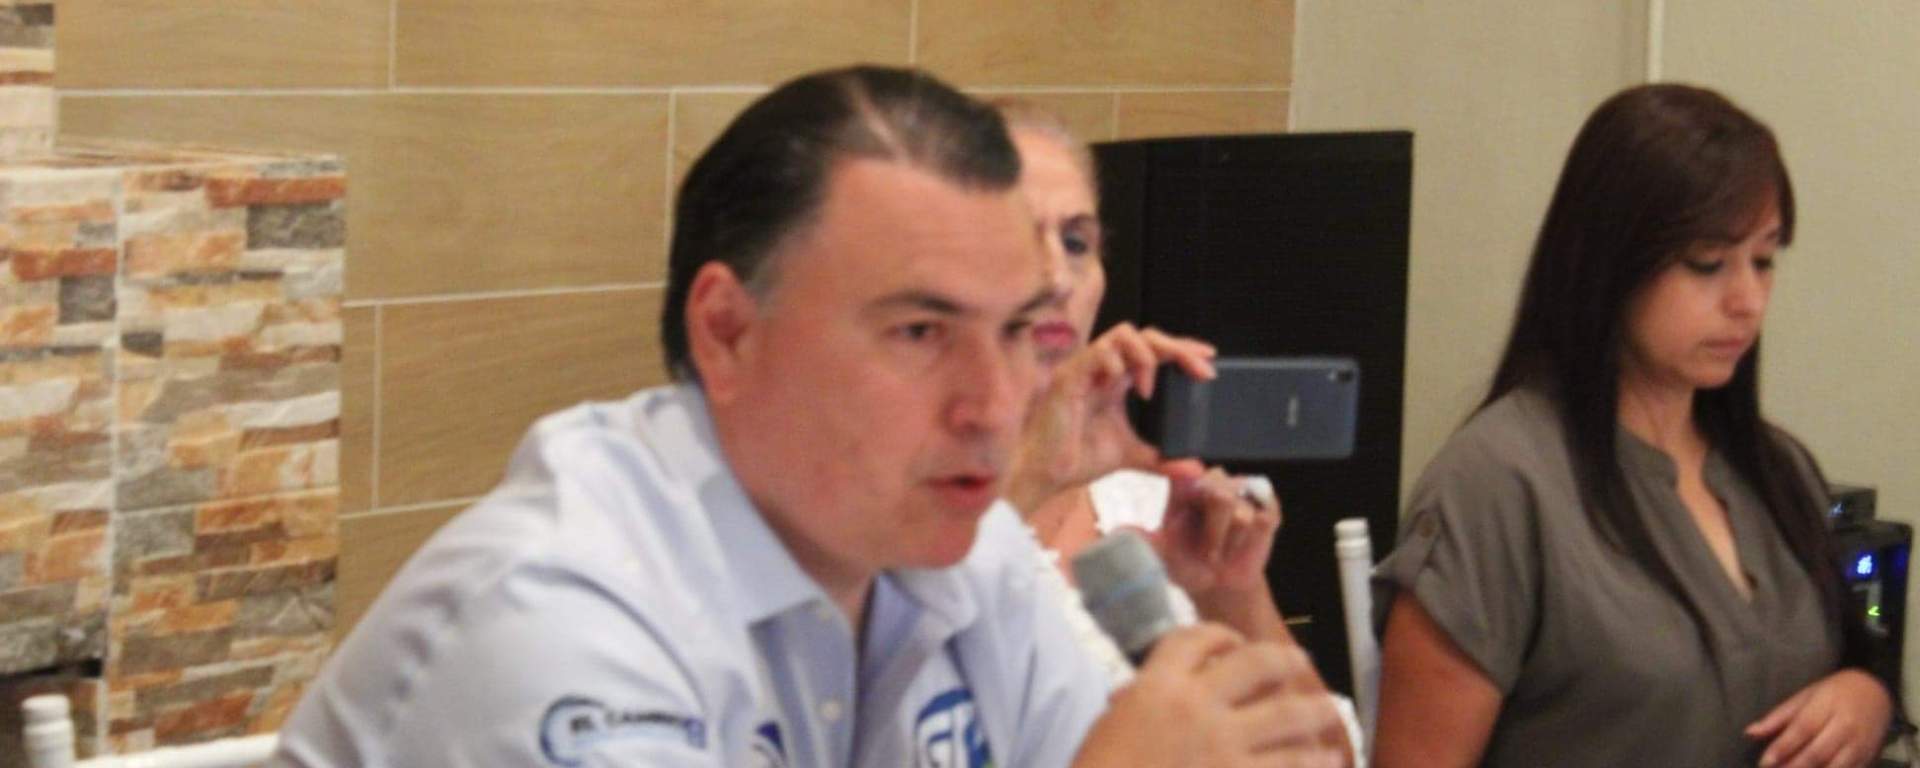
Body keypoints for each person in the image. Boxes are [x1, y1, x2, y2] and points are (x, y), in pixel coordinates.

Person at [269, 66, 1345, 767]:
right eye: (920, 331)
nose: (993, 406)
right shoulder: (561, 613)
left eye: (1021, 331)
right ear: (728, 331)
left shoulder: (960, 557)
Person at [1370, 83, 1893, 768]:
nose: (1748, 300)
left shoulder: (1776, 467)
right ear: (1610, 262)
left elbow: (1852, 649)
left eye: (1764, 260)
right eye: (1707, 264)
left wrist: (1866, 696)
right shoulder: (1496, 485)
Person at [992, 100, 1362, 761]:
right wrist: (1031, 474)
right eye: (1015, 237)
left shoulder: (1143, 500)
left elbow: (1326, 756)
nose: (1057, 277)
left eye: (1076, 243)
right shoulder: (894, 506)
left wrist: (1230, 594)